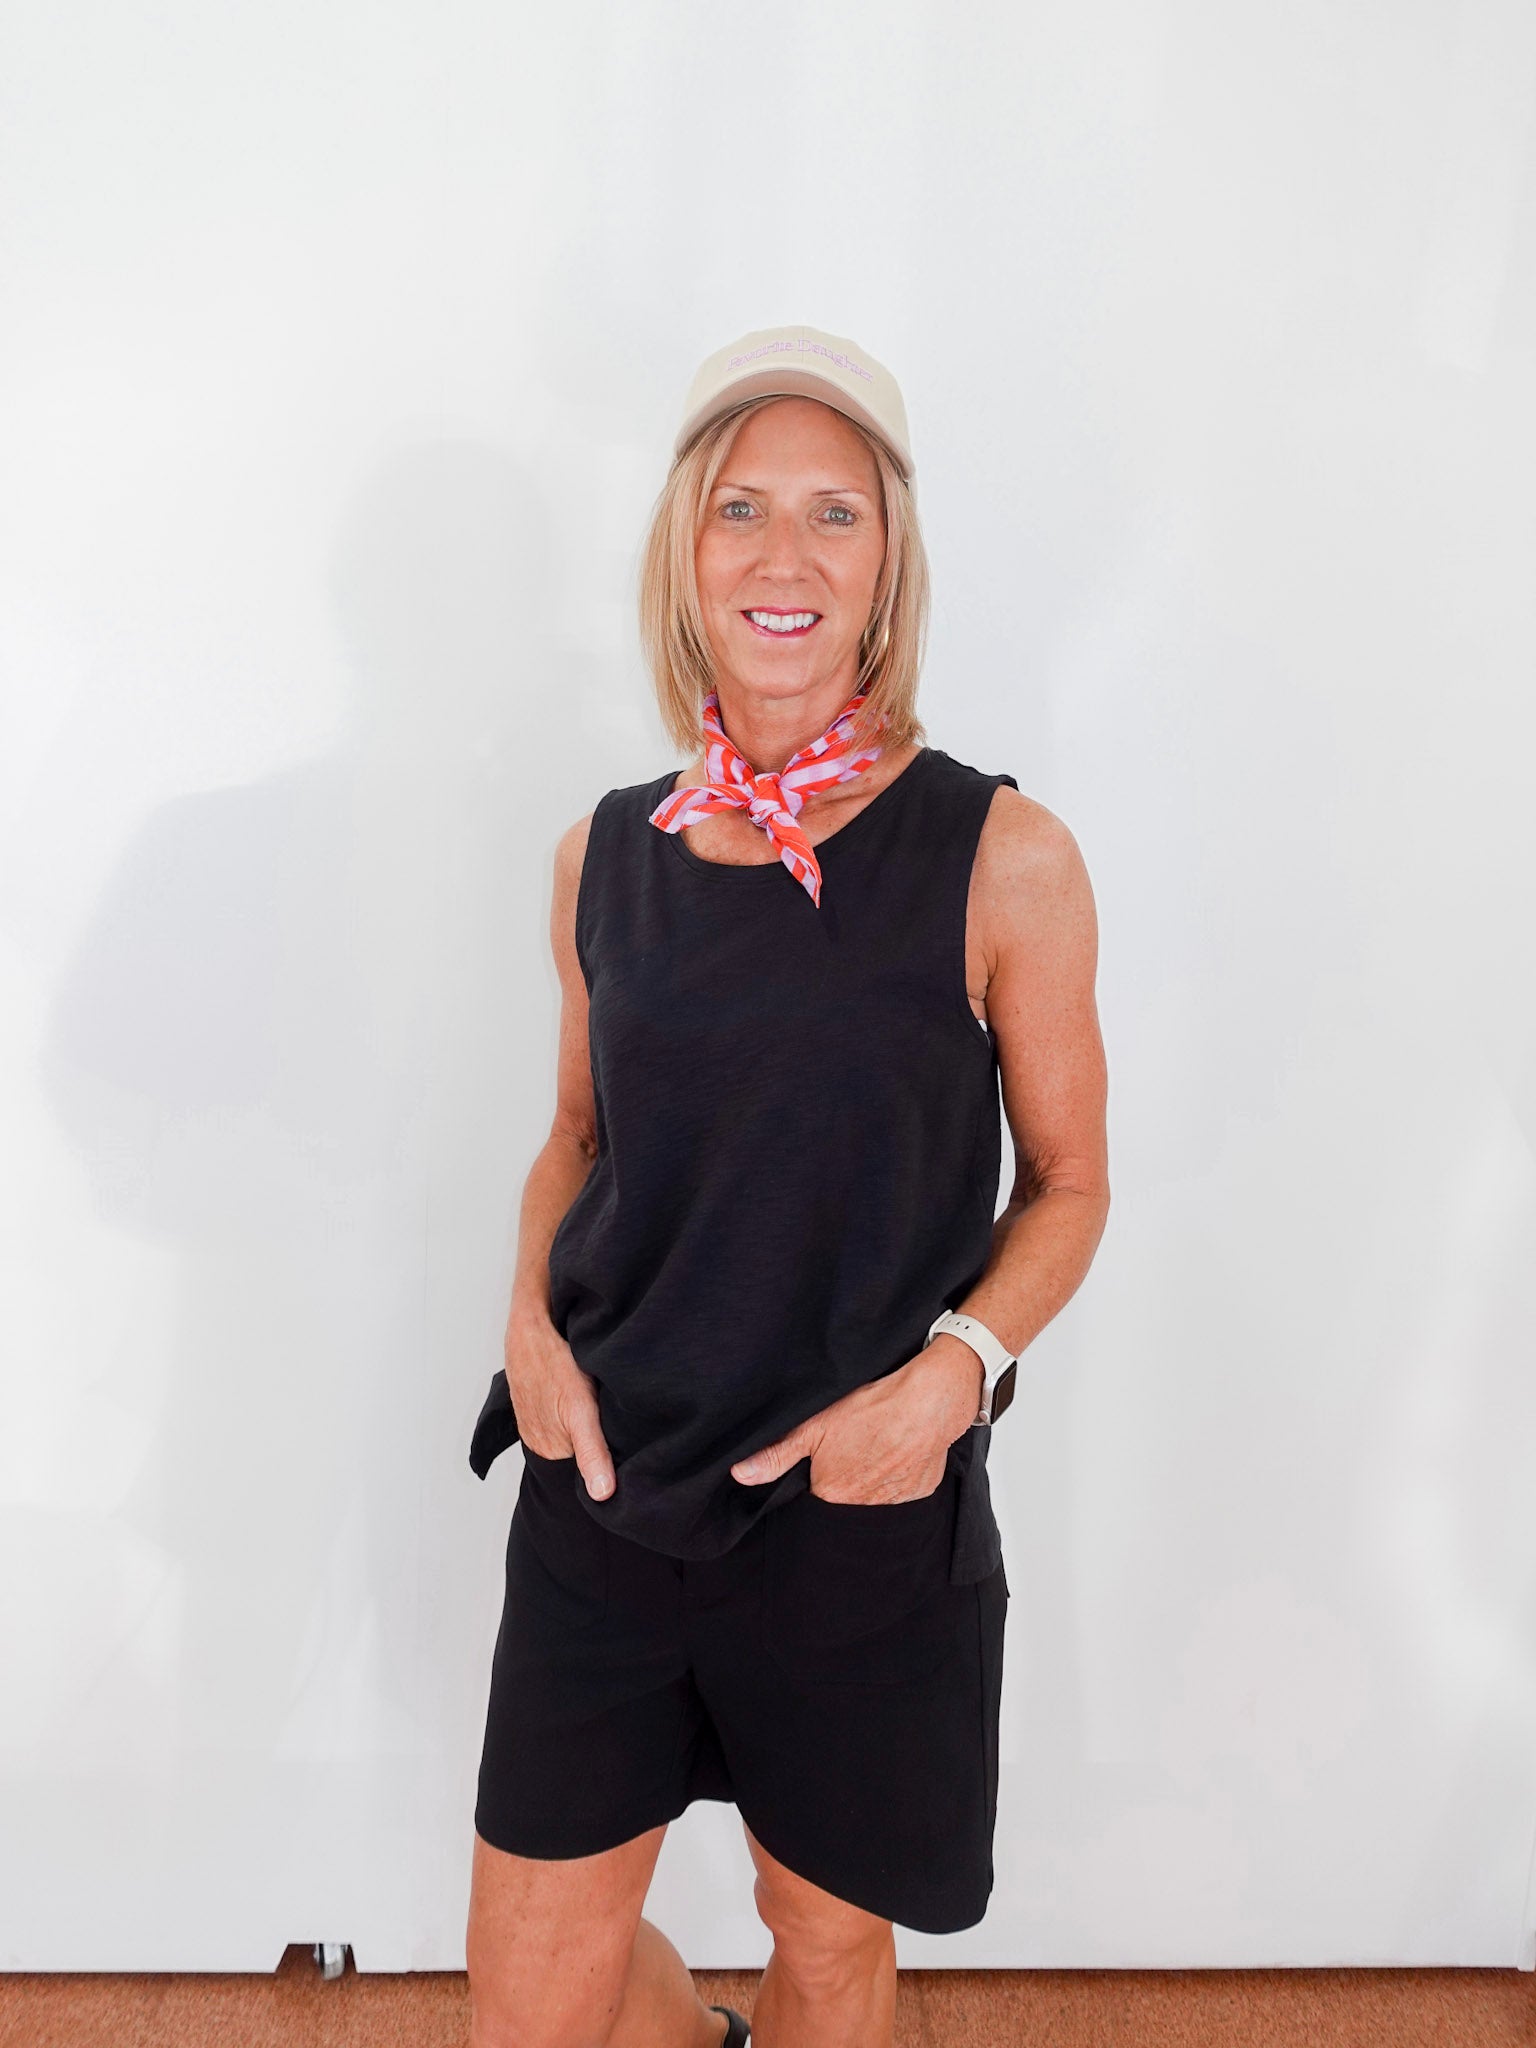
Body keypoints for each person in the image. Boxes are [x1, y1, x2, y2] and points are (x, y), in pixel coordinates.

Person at [463, 324, 1110, 2048]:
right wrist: (529, 1327)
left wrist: (946, 1384)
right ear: (687, 545)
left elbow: (1070, 1186)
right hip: (604, 1485)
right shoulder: (604, 852)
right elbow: (578, 1141)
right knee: (540, 1988)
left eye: (835, 513)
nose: (784, 557)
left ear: (889, 555)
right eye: (742, 508)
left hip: (854, 1511)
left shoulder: (1002, 854)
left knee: (826, 1954)